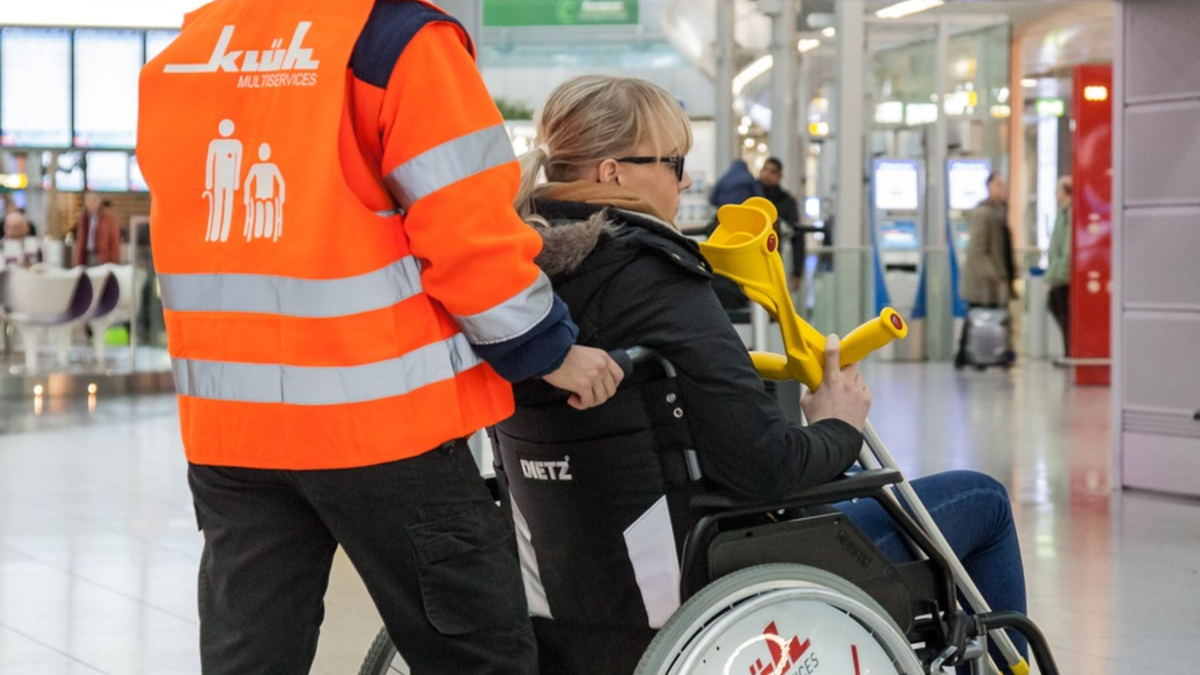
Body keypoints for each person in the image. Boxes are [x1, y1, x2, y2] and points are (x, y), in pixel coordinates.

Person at [136, 3, 624, 674]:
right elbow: (466, 231)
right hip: (382, 425)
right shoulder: (396, 43)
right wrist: (549, 349)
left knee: (251, 656)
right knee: (479, 653)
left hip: (231, 431)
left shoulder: (194, 49)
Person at [511, 75, 1029, 675]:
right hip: (710, 571)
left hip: (576, 593)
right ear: (611, 173)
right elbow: (765, 468)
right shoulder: (656, 279)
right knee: (983, 501)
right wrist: (837, 426)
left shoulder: (514, 292)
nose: (684, 181)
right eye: (673, 162)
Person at [956, 172, 1016, 368]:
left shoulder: (997, 212)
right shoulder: (984, 214)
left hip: (991, 279)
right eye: (998, 184)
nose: (1002, 188)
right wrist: (994, 275)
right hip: (983, 282)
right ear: (989, 186)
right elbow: (978, 250)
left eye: (1004, 184)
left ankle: (985, 354)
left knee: (983, 319)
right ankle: (972, 355)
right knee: (976, 317)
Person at [756, 156, 815, 294]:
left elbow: (798, 238)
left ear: (779, 176)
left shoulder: (787, 201)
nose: (767, 175)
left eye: (772, 172)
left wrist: (797, 272)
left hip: (773, 262)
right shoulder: (751, 195)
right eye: (765, 170)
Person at [1047, 175, 1072, 357]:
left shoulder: (1069, 214)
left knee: (1064, 313)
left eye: (1058, 190)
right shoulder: (1063, 213)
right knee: (1058, 309)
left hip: (1064, 276)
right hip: (1060, 273)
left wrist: (1059, 273)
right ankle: (1068, 350)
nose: (1056, 195)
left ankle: (1069, 351)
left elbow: (1067, 248)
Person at [72, 191, 121, 266]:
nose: (92, 202)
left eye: (94, 199)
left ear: (99, 202)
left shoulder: (108, 219)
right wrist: (77, 262)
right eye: (89, 200)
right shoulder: (83, 220)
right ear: (85, 202)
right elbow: (80, 242)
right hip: (87, 256)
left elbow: (114, 241)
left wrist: (114, 262)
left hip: (102, 257)